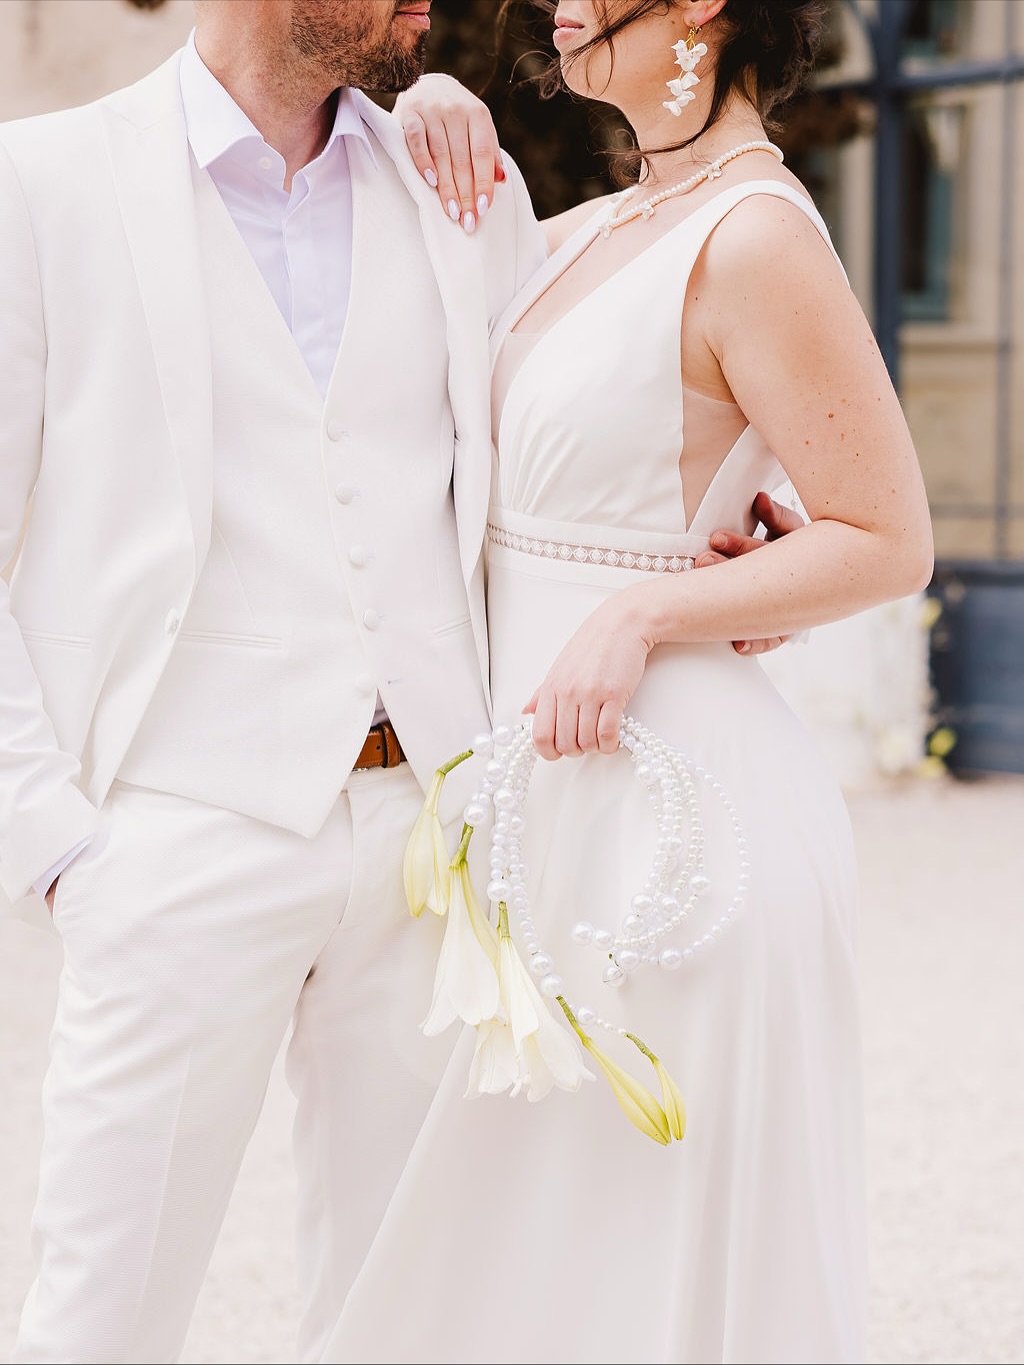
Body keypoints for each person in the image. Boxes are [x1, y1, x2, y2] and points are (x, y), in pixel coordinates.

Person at [0, 1, 792, 1360]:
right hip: (178, 832)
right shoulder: (41, 188)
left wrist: (723, 533)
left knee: (411, 1302)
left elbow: (556, 435)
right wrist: (62, 844)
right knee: (103, 1305)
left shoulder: (458, 186)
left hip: (436, 834)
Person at [318, 2, 934, 1363]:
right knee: (516, 1257)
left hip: (675, 821)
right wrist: (419, 117)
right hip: (536, 793)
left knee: (636, 1261)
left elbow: (889, 535)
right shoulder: (599, 222)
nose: (561, 3)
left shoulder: (759, 234)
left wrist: (650, 606)